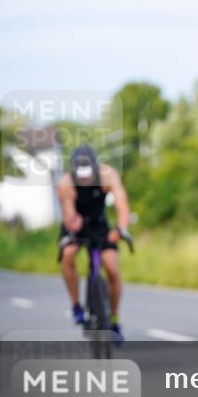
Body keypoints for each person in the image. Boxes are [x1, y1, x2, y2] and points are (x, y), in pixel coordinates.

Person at [56, 145, 131, 341]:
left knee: (112, 268)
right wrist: (73, 223)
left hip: (99, 223)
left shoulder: (108, 175)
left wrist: (121, 229)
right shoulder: (65, 183)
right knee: (68, 255)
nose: (85, 179)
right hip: (76, 223)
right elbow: (68, 212)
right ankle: (76, 306)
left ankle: (113, 319)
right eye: (81, 176)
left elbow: (122, 205)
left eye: (88, 175)